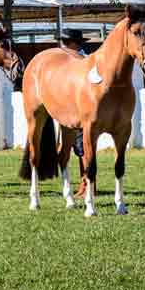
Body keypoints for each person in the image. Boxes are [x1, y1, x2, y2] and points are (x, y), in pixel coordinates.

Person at [57, 29, 91, 199]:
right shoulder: (68, 61)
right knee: (76, 148)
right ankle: (83, 182)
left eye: (65, 43)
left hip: (82, 110)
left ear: (73, 44)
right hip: (68, 109)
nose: (62, 46)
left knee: (83, 148)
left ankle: (87, 183)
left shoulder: (85, 60)